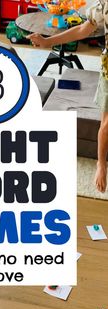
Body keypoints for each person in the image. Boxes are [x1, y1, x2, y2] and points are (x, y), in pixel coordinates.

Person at [27, 0, 108, 192]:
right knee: (106, 124)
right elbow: (82, 30)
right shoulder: (104, 5)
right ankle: (101, 164)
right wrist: (47, 41)